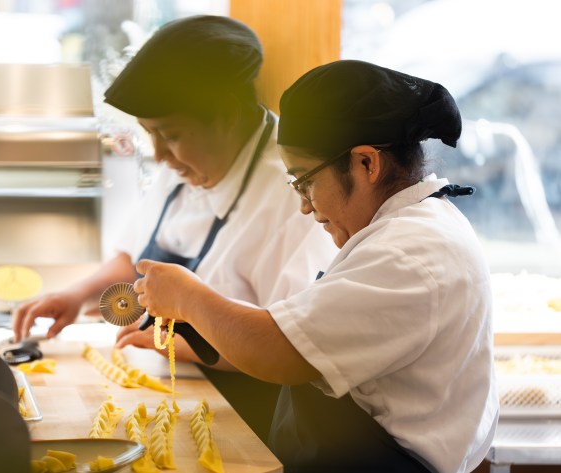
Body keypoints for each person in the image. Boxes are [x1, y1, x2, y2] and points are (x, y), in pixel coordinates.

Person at [132, 59, 499, 472]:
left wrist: (186, 295)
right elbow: (297, 334)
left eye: (306, 180)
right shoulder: (406, 230)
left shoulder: (408, 251)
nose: (305, 206)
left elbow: (279, 351)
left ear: (366, 164)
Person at [12, 15, 337, 442]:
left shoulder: (290, 191)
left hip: (245, 415)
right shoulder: (184, 162)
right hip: (174, 391)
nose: (159, 154)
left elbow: (285, 349)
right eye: (150, 133)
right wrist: (76, 296)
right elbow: (136, 261)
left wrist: (167, 344)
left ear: (229, 115)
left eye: (171, 135)